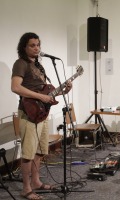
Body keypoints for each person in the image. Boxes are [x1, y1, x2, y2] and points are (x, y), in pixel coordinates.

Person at [11, 32, 72, 200]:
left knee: (40, 151)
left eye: (38, 44)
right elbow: (15, 87)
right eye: (32, 45)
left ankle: (36, 182)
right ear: (24, 47)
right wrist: (40, 97)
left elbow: (47, 94)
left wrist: (64, 90)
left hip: (42, 113)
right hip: (28, 114)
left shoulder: (39, 66)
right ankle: (26, 188)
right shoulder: (20, 64)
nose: (36, 48)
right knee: (28, 153)